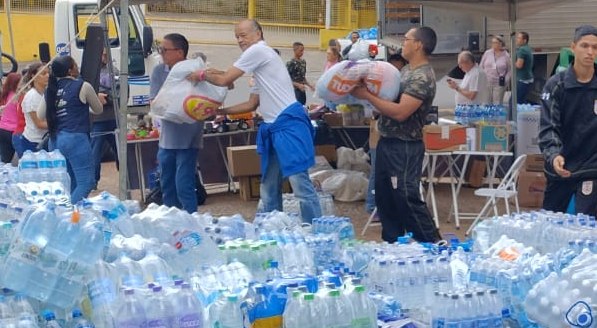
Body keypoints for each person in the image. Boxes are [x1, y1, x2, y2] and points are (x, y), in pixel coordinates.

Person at [194, 19, 322, 223]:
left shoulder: (258, 51)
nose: (239, 40)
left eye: (243, 35)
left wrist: (199, 75)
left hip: (288, 125)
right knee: (269, 187)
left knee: (300, 185)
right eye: (237, 36)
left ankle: (316, 229)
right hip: (274, 129)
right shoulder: (260, 66)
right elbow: (252, 104)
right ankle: (273, 228)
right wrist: (220, 111)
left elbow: (225, 79)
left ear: (258, 34)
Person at [349, 25, 442, 243]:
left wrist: (368, 96)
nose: (403, 43)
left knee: (406, 196)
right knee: (385, 198)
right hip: (388, 141)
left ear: (418, 45)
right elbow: (389, 101)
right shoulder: (406, 70)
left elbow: (401, 112)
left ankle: (434, 245)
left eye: (406, 39)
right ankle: (393, 245)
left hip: (405, 146)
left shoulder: (422, 76)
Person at [538, 25, 597, 218]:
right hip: (560, 166)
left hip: (591, 168)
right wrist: (554, 154)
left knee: (585, 228)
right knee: (551, 226)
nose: (590, 52)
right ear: (573, 47)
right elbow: (548, 126)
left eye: (595, 47)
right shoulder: (556, 85)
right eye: (584, 46)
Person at [149, 32, 204, 213]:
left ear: (180, 52)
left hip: (189, 137)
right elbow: (155, 101)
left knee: (184, 183)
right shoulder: (159, 71)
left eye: (164, 50)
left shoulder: (196, 71)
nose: (161, 53)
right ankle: (171, 219)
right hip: (167, 137)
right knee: (167, 184)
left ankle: (191, 219)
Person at [45, 55, 107, 202]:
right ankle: (68, 211)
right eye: (74, 64)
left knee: (70, 181)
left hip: (54, 140)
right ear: (70, 70)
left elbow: (42, 114)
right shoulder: (83, 86)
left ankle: (69, 211)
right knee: (86, 183)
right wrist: (84, 108)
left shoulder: (50, 89)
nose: (77, 67)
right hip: (75, 138)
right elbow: (98, 109)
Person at [16, 63, 50, 158]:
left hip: (46, 139)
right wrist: (60, 125)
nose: (47, 76)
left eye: (48, 73)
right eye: (43, 73)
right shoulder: (32, 96)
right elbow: (39, 123)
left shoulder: (46, 93)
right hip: (34, 142)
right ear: (33, 76)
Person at [512, 30, 535, 104]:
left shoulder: (522, 50)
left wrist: (510, 61)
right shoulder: (527, 48)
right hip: (527, 78)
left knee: (513, 101)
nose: (517, 39)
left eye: (519, 38)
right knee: (521, 101)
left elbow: (519, 65)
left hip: (523, 79)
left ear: (524, 40)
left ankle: (513, 112)